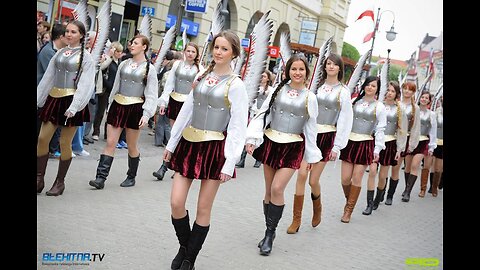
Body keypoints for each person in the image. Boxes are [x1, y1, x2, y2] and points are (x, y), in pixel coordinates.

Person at [162, 30, 248, 270]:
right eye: (216, 47)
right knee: (177, 202)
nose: (218, 52)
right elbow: (187, 110)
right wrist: (172, 143)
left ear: (233, 54)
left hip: (215, 149)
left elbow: (239, 126)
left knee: (203, 207)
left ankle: (190, 259)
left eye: (224, 49)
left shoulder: (237, 85)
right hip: (189, 144)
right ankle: (184, 246)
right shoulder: (201, 75)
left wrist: (230, 163)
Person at [246, 54, 322, 255]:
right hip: (271, 142)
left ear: (306, 73)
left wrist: (312, 156)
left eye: (301, 69)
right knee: (269, 191)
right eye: (294, 69)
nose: (297, 73)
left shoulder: (310, 97)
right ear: (288, 71)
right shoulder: (277, 91)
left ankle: (271, 235)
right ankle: (267, 232)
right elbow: (263, 114)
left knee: (278, 188)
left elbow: (311, 127)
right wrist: (252, 139)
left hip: (293, 146)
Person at [286, 53, 353, 233]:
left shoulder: (343, 92)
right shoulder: (316, 87)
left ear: (340, 68)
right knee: (301, 175)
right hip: (309, 134)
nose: (331, 67)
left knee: (313, 180)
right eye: (328, 64)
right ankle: (296, 220)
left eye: (334, 64)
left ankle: (317, 208)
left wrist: (337, 146)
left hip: (327, 137)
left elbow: (346, 120)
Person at [88, 34, 158, 189]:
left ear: (144, 47)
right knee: (110, 142)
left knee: (131, 145)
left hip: (135, 108)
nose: (132, 45)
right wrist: (110, 105)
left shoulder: (150, 68)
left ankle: (131, 176)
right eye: (131, 42)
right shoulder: (123, 63)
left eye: (136, 43)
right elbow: (115, 87)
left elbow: (152, 94)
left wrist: (146, 115)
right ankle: (100, 178)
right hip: (118, 105)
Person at [37, 20, 94, 196]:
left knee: (64, 143)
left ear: (82, 35)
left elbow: (86, 84)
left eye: (74, 32)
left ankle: (59, 182)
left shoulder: (86, 57)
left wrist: (75, 106)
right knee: (42, 138)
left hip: (71, 101)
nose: (69, 34)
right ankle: (39, 178)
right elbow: (48, 77)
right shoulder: (59, 53)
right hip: (54, 99)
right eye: (67, 31)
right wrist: (39, 98)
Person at [339, 75, 386, 223]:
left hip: (365, 143)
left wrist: (377, 149)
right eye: (368, 84)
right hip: (350, 142)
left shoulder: (379, 107)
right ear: (364, 85)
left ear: (377, 89)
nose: (370, 87)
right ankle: (349, 200)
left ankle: (348, 211)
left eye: (373, 86)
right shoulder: (354, 101)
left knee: (356, 178)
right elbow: (344, 120)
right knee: (345, 179)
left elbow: (380, 129)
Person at [154, 42, 204, 181]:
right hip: (175, 102)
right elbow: (169, 84)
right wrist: (163, 102)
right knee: (173, 133)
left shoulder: (200, 69)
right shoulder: (176, 65)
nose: (190, 54)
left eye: (193, 52)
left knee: (183, 135)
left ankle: (171, 165)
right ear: (184, 51)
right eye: (188, 51)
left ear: (197, 54)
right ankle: (166, 165)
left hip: (189, 106)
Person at [363, 81, 407, 211]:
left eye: (393, 91)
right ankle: (369, 203)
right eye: (388, 90)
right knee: (372, 171)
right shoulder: (378, 105)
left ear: (396, 94)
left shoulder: (400, 109)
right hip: (376, 142)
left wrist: (400, 149)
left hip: (390, 144)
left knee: (382, 176)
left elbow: (402, 130)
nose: (389, 93)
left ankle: (378, 198)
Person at [236, 69, 275, 169]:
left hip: (263, 116)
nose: (262, 78)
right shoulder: (255, 88)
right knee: (248, 134)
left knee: (259, 136)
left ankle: (258, 159)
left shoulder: (271, 90)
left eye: (264, 76)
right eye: (261, 76)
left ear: (268, 79)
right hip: (253, 114)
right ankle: (242, 159)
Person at [402, 91, 436, 201]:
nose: (424, 99)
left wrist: (431, 146)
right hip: (411, 140)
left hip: (422, 141)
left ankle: (408, 192)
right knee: (407, 166)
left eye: (427, 98)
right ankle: (406, 186)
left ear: (429, 101)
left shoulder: (431, 114)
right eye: (423, 97)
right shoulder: (413, 110)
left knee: (415, 165)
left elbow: (433, 131)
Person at [392, 81, 421, 202]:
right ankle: (389, 193)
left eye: (410, 90)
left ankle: (407, 191)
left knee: (408, 166)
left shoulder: (415, 108)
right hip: (396, 138)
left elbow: (416, 127)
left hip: (408, 138)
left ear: (414, 92)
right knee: (395, 167)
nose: (407, 91)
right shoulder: (396, 104)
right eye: (405, 88)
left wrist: (412, 144)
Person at [91, 41, 124, 141]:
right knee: (100, 112)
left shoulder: (120, 63)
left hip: (114, 90)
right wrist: (109, 57)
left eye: (120, 51)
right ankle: (96, 131)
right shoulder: (108, 59)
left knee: (110, 112)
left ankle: (107, 133)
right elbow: (101, 69)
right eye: (117, 51)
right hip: (106, 89)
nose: (119, 53)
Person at [431, 96, 443, 196]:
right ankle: (430, 186)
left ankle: (435, 187)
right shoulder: (437, 112)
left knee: (438, 168)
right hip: (435, 141)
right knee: (431, 166)